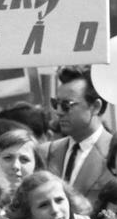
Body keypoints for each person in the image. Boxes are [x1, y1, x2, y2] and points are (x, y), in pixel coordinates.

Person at [45, 66, 112, 195]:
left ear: (95, 107)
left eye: (66, 105)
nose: (58, 112)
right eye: (55, 103)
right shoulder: (46, 152)